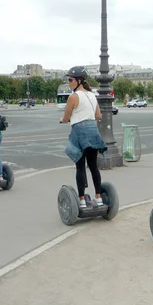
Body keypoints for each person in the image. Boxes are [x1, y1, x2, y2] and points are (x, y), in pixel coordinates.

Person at [60, 66, 107, 208]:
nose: (68, 82)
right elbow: (98, 115)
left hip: (79, 132)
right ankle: (99, 198)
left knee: (80, 167)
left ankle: (81, 200)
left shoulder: (73, 97)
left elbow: (67, 117)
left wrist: (63, 120)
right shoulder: (93, 96)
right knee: (93, 166)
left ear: (79, 80)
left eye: (70, 80)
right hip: (93, 131)